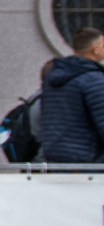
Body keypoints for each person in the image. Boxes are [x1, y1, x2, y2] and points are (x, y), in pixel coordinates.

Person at [39, 27, 104, 162]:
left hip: (57, 158)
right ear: (96, 49)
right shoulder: (93, 79)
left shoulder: (53, 77)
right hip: (89, 161)